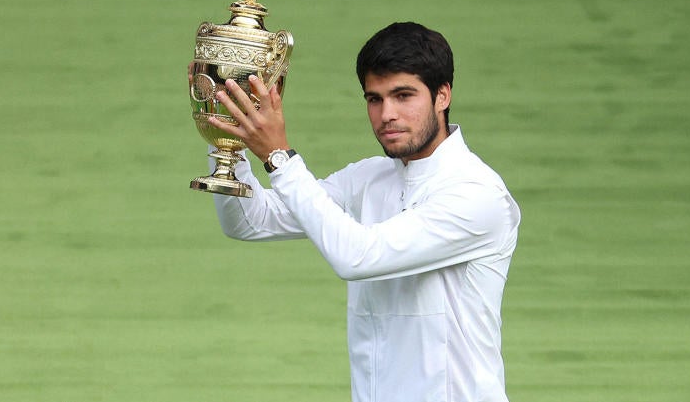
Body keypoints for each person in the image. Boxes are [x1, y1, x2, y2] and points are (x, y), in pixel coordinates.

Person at [206, 22, 521, 402]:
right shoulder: (370, 177)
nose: (387, 114)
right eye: (375, 99)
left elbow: (358, 257)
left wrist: (278, 157)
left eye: (403, 95)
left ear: (442, 95)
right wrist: (227, 138)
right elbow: (250, 221)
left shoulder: (477, 194)